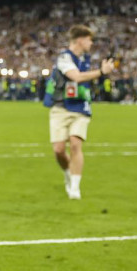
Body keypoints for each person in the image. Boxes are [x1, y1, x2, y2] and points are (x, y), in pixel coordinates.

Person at [43, 25, 115, 200]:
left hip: (81, 107)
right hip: (60, 107)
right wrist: (101, 72)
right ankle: (68, 173)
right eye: (90, 39)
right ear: (80, 40)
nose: (91, 43)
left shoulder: (86, 59)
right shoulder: (64, 58)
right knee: (59, 150)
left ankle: (75, 188)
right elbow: (76, 77)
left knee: (75, 144)